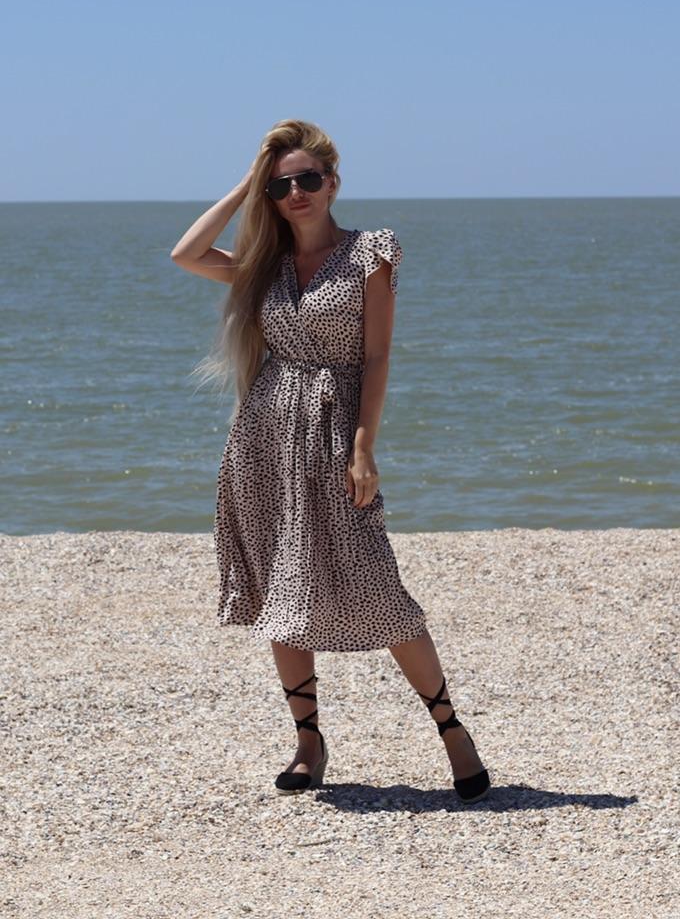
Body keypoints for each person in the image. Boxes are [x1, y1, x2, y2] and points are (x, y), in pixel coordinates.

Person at [170, 119, 490, 803]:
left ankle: (452, 732)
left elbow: (376, 356)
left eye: (307, 179)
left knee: (378, 584)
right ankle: (309, 742)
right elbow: (185, 253)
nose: (295, 193)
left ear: (333, 182)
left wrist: (364, 446)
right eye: (280, 185)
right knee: (283, 592)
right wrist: (246, 185)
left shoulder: (370, 253)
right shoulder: (265, 264)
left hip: (337, 430)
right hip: (264, 436)